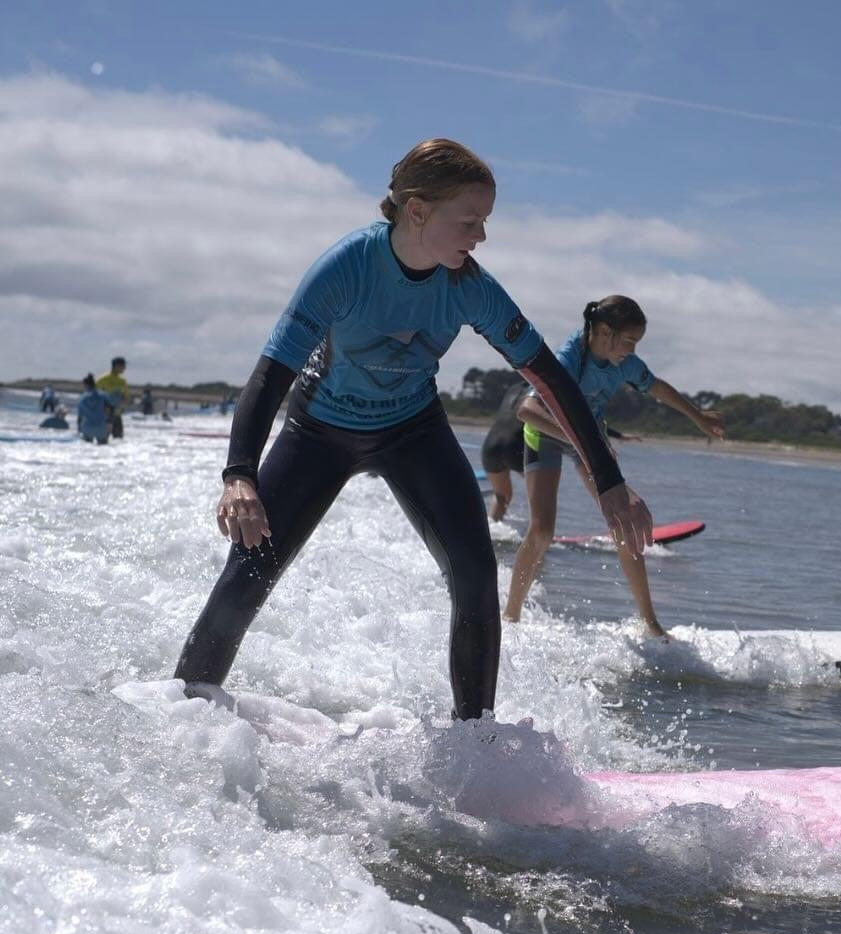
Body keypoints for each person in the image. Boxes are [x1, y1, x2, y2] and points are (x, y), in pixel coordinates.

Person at [173, 138, 652, 722]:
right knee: (249, 566)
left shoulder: (470, 286)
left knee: (475, 573)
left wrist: (608, 480)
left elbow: (550, 378)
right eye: (470, 221)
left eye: (484, 222)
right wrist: (238, 475)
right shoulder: (346, 266)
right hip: (318, 430)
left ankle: (476, 743)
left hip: (411, 430)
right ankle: (185, 717)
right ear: (417, 210)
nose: (480, 237)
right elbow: (271, 374)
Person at [503, 296, 724, 638]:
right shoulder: (567, 359)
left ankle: (650, 624)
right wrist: (585, 440)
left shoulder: (624, 363)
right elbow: (526, 411)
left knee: (625, 522)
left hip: (589, 437)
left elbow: (658, 387)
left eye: (636, 343)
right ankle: (510, 618)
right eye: (629, 341)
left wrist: (698, 417)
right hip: (546, 433)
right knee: (542, 529)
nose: (631, 350)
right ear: (604, 331)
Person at [481, 382, 638, 522]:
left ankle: (492, 529)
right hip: (515, 446)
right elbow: (577, 423)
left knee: (501, 496)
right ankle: (536, 529)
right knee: (541, 497)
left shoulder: (513, 388)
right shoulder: (542, 392)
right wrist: (616, 435)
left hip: (490, 446)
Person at [96, 357, 129, 439]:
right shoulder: (103, 379)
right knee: (103, 439)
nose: (124, 368)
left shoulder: (123, 381)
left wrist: (122, 405)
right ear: (117, 366)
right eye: (123, 366)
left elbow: (125, 397)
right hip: (105, 414)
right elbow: (93, 394)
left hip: (117, 414)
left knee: (118, 440)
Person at [77, 374, 110, 444]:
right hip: (101, 427)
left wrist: (79, 429)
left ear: (86, 385)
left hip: (87, 427)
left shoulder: (82, 398)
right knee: (104, 451)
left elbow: (80, 416)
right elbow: (109, 410)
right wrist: (109, 423)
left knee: (87, 451)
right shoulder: (103, 395)